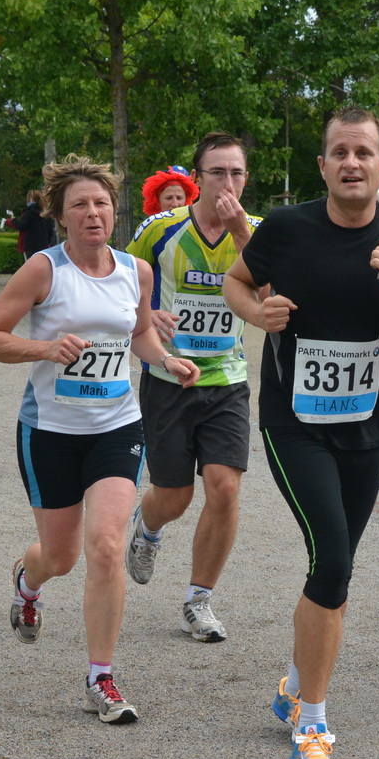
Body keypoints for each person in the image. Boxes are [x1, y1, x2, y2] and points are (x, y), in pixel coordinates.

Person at [223, 106, 379, 759]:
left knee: (337, 571)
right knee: (332, 555)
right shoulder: (287, 229)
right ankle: (313, 729)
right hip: (293, 422)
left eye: (364, 152)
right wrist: (255, 311)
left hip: (365, 426)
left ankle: (295, 681)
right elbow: (237, 280)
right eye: (338, 152)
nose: (351, 162)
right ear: (322, 165)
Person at [0, 156, 199, 723]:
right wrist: (44, 348)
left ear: (114, 210)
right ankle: (28, 583)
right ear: (60, 214)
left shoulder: (135, 271)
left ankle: (101, 677)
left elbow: (141, 334)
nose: (93, 212)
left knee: (105, 545)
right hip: (49, 431)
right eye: (80, 204)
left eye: (101, 202)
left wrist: (168, 361)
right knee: (61, 555)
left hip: (116, 427)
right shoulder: (43, 272)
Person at [122, 133, 260, 642]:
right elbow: (117, 277)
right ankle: (148, 525)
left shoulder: (259, 231)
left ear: (246, 179)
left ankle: (199, 600)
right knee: (174, 497)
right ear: (196, 179)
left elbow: (276, 294)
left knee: (224, 487)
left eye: (236, 174)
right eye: (217, 173)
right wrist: (146, 313)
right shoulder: (162, 229)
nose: (227, 183)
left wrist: (245, 237)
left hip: (227, 378)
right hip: (168, 377)